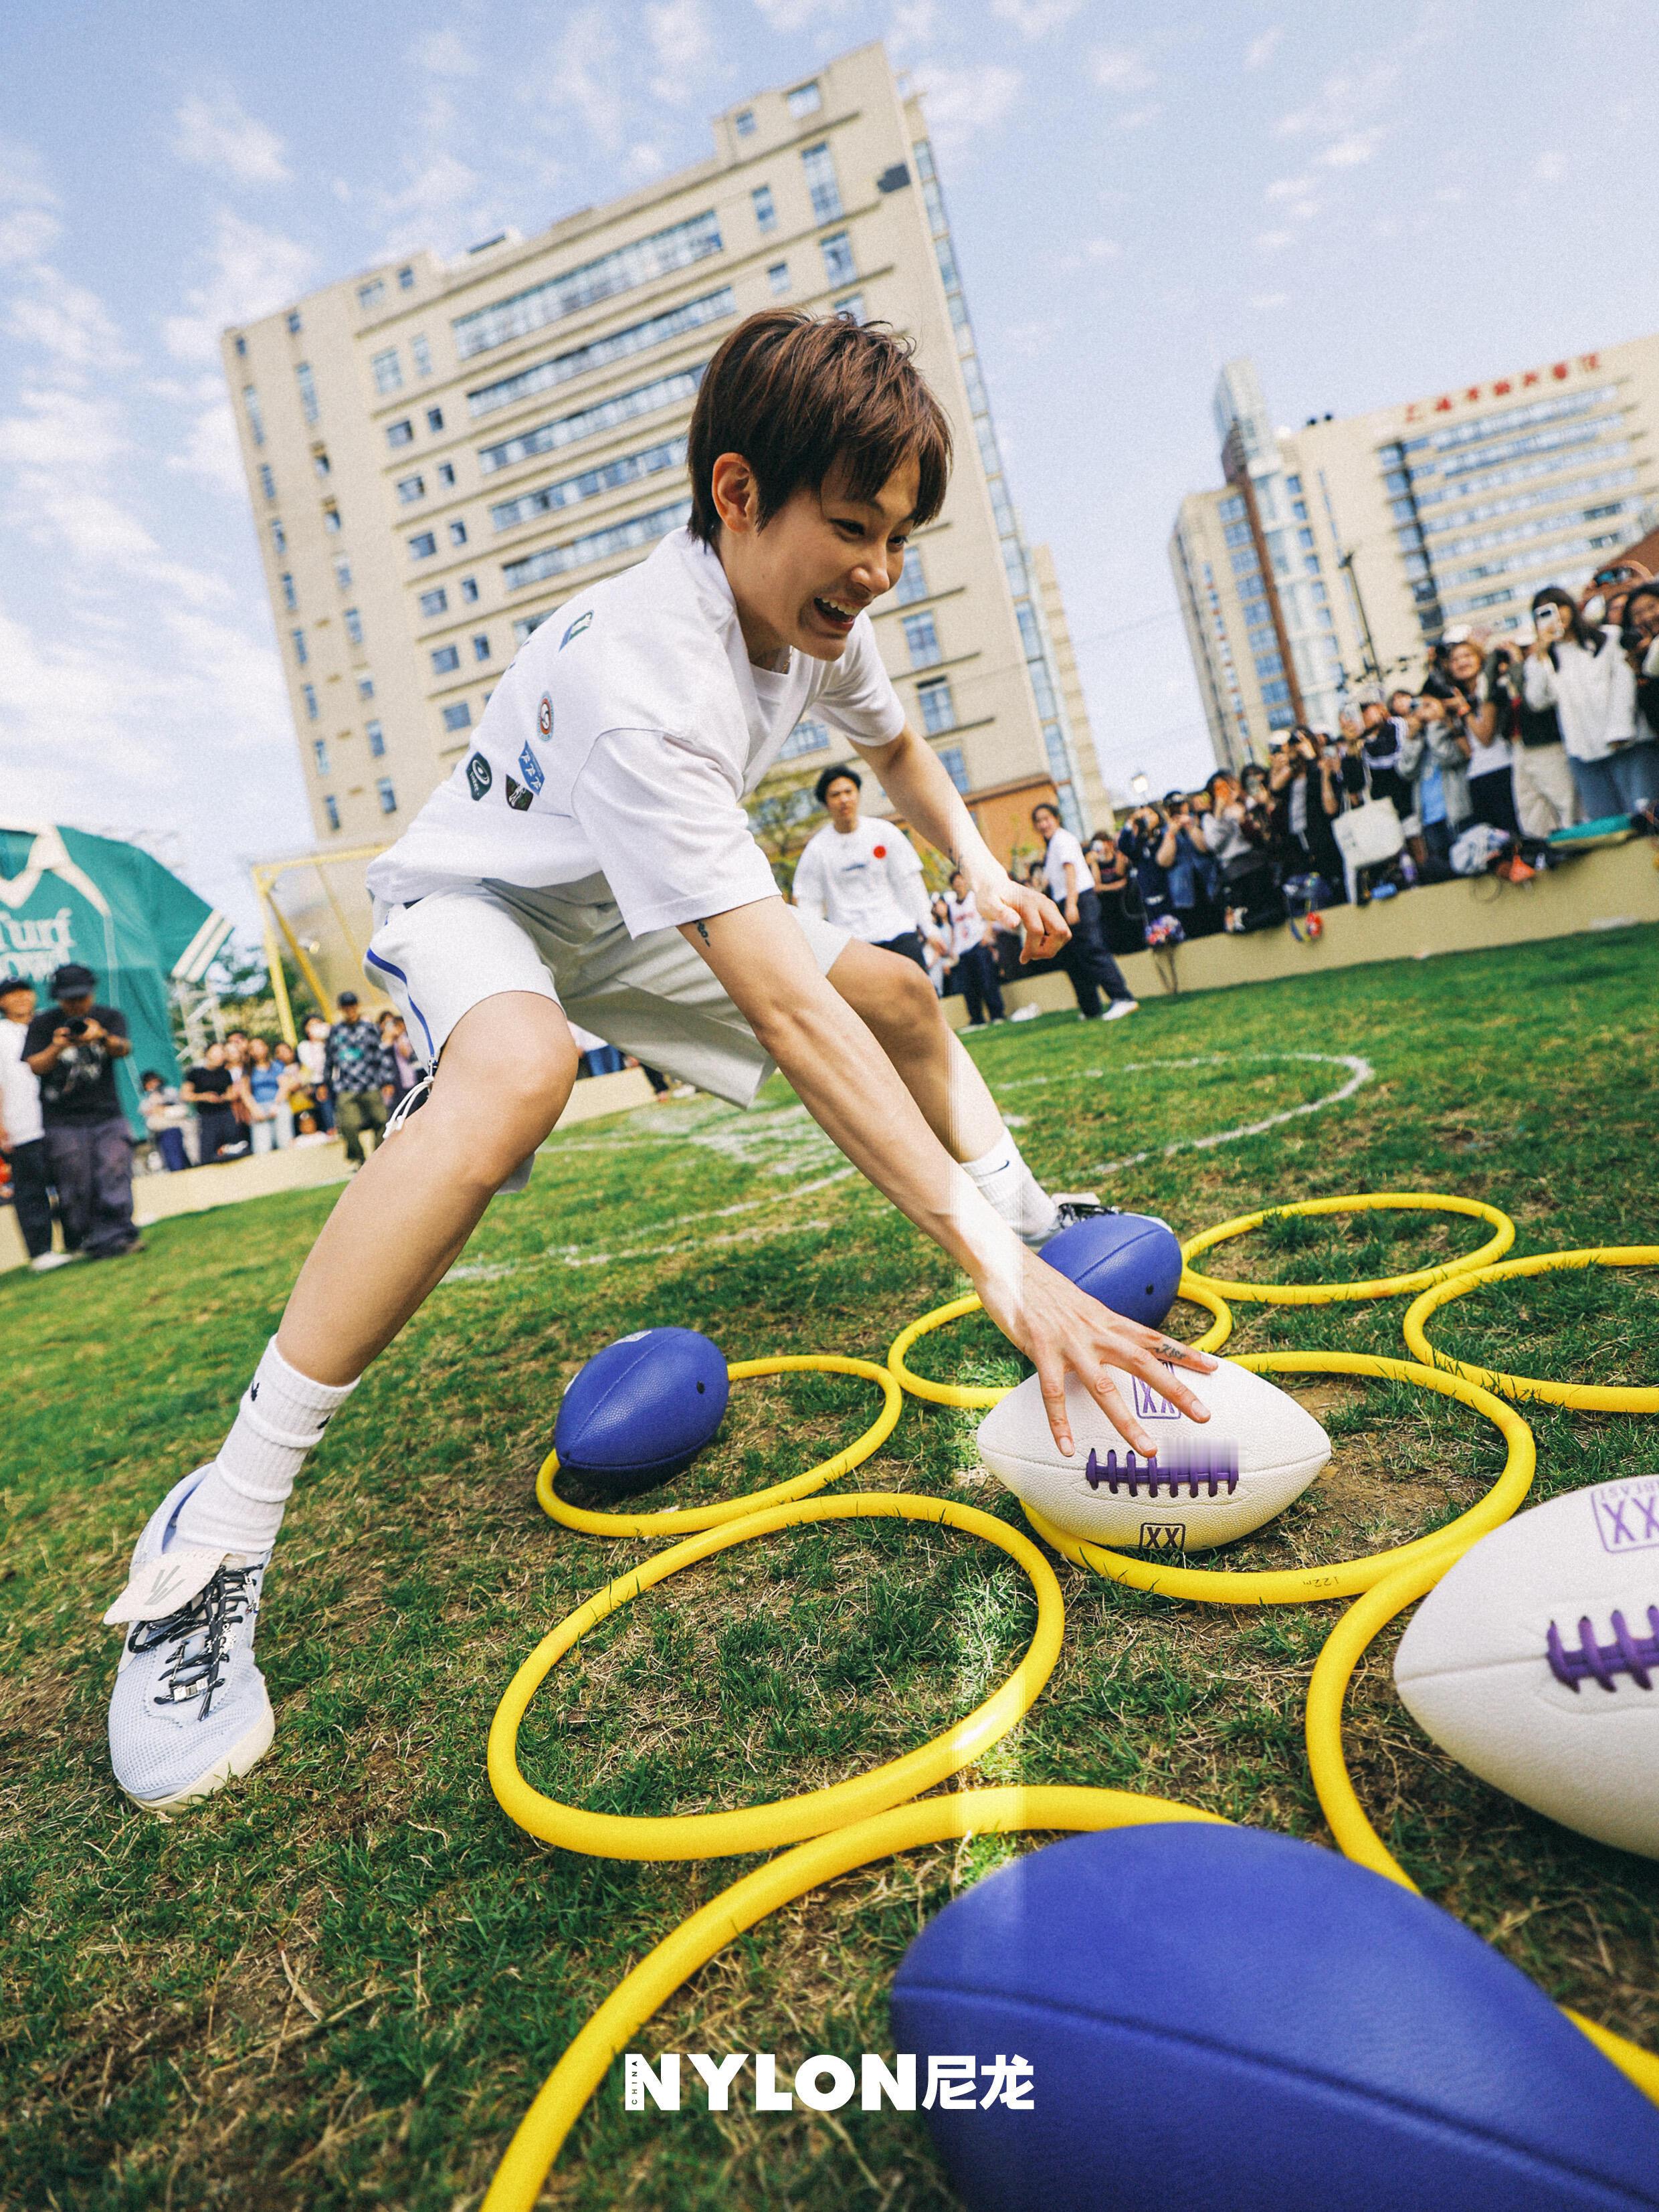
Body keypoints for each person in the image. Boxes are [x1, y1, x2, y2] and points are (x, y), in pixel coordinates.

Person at [100, 306, 1213, 1815]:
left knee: (895, 989)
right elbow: (788, 1021)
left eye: (897, 532)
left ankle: (1036, 1225)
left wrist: (974, 863)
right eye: (850, 524)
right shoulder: (648, 684)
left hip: (617, 901)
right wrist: (995, 1297)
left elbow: (898, 755)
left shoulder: (829, 624)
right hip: (483, 898)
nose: (878, 567)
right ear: (737, 492)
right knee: (517, 1079)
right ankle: (215, 1533)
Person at [22, 961, 140, 1260]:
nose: (76, 1004)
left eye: (81, 997)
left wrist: (100, 1036)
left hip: (107, 1113)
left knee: (114, 1169)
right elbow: (35, 1065)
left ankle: (118, 1234)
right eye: (69, 998)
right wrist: (56, 1047)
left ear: (92, 992)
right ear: (57, 997)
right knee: (75, 1180)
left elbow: (123, 1049)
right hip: (62, 1120)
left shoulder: (109, 1017)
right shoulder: (43, 1024)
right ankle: (89, 1237)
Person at [790, 763, 933, 970]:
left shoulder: (884, 832)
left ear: (858, 793)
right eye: (835, 794)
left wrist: (929, 928)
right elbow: (808, 902)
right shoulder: (816, 850)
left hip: (898, 932)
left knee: (921, 997)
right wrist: (813, 949)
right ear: (826, 803)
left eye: (849, 791)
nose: (844, 799)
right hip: (852, 944)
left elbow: (909, 882)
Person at [1523, 585, 1648, 819]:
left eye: (1559, 606)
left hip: (1624, 740)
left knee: (1643, 814)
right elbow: (1538, 701)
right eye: (1544, 612)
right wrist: (1541, 654)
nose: (1556, 615)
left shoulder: (1607, 637)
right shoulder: (1543, 659)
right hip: (1582, 750)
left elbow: (1624, 687)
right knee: (1606, 821)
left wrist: (1619, 730)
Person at [1031, 799, 1137, 1021]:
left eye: (1046, 819)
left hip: (1079, 899)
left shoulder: (1063, 840)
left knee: (1092, 950)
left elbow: (1071, 871)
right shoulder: (1052, 846)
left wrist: (1071, 904)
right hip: (1064, 902)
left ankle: (1123, 998)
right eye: (1038, 821)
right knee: (1073, 958)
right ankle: (1091, 1008)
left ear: (1056, 819)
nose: (1043, 824)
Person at [1, 974, 70, 1272]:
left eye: (25, 992)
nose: (21, 998)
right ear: (2, 1002)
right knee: (30, 1191)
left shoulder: (49, 1026)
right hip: (21, 1124)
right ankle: (40, 1252)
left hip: (61, 1118)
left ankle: (78, 1240)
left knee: (71, 1182)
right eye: (12, 994)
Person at [321, 991, 396, 1168]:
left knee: (381, 1120)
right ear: (341, 1009)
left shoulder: (369, 1028)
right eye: (346, 1007)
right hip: (346, 1085)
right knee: (348, 1125)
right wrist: (325, 1083)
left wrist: (387, 1081)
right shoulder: (336, 1031)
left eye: (353, 1006)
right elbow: (330, 1059)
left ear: (357, 1006)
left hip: (370, 1082)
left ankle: (378, 1156)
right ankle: (359, 1158)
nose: (350, 1010)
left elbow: (380, 1055)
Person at [1201, 770, 1282, 933]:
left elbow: (1260, 834)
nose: (1225, 793)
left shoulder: (1248, 804)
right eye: (1218, 790)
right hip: (1233, 869)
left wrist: (1243, 818)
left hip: (1256, 861)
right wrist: (1219, 815)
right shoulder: (1210, 818)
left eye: (1227, 788)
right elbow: (1214, 845)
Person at [944, 868, 1005, 1026]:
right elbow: (953, 928)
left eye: (960, 881)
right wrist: (953, 948)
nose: (959, 884)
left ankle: (997, 1014)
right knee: (968, 987)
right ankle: (976, 1018)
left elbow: (990, 917)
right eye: (955, 882)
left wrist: (987, 935)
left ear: (966, 882)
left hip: (978, 944)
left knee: (987, 981)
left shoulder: (974, 898)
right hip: (962, 950)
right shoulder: (951, 906)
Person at [183, 1042, 241, 1163]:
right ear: (207, 1054)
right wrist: (204, 1097)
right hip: (207, 1117)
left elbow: (232, 1093)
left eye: (222, 1053)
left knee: (233, 1147)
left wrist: (223, 1098)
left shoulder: (225, 1073)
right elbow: (185, 1095)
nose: (220, 1056)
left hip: (226, 1114)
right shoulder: (195, 1073)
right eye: (216, 1052)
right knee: (208, 1152)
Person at [138, 1070, 191, 1173]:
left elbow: (183, 1110)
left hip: (178, 1129)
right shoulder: (146, 1101)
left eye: (155, 1082)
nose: (153, 1085)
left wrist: (164, 1110)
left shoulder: (170, 1093)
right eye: (150, 1083)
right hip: (160, 1134)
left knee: (182, 1162)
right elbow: (149, 1121)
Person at [297, 1014, 334, 1132]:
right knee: (326, 1106)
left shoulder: (331, 1043)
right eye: (311, 1025)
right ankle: (331, 1129)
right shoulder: (304, 1046)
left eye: (318, 1024)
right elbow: (311, 1065)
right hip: (318, 1083)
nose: (315, 1027)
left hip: (335, 1081)